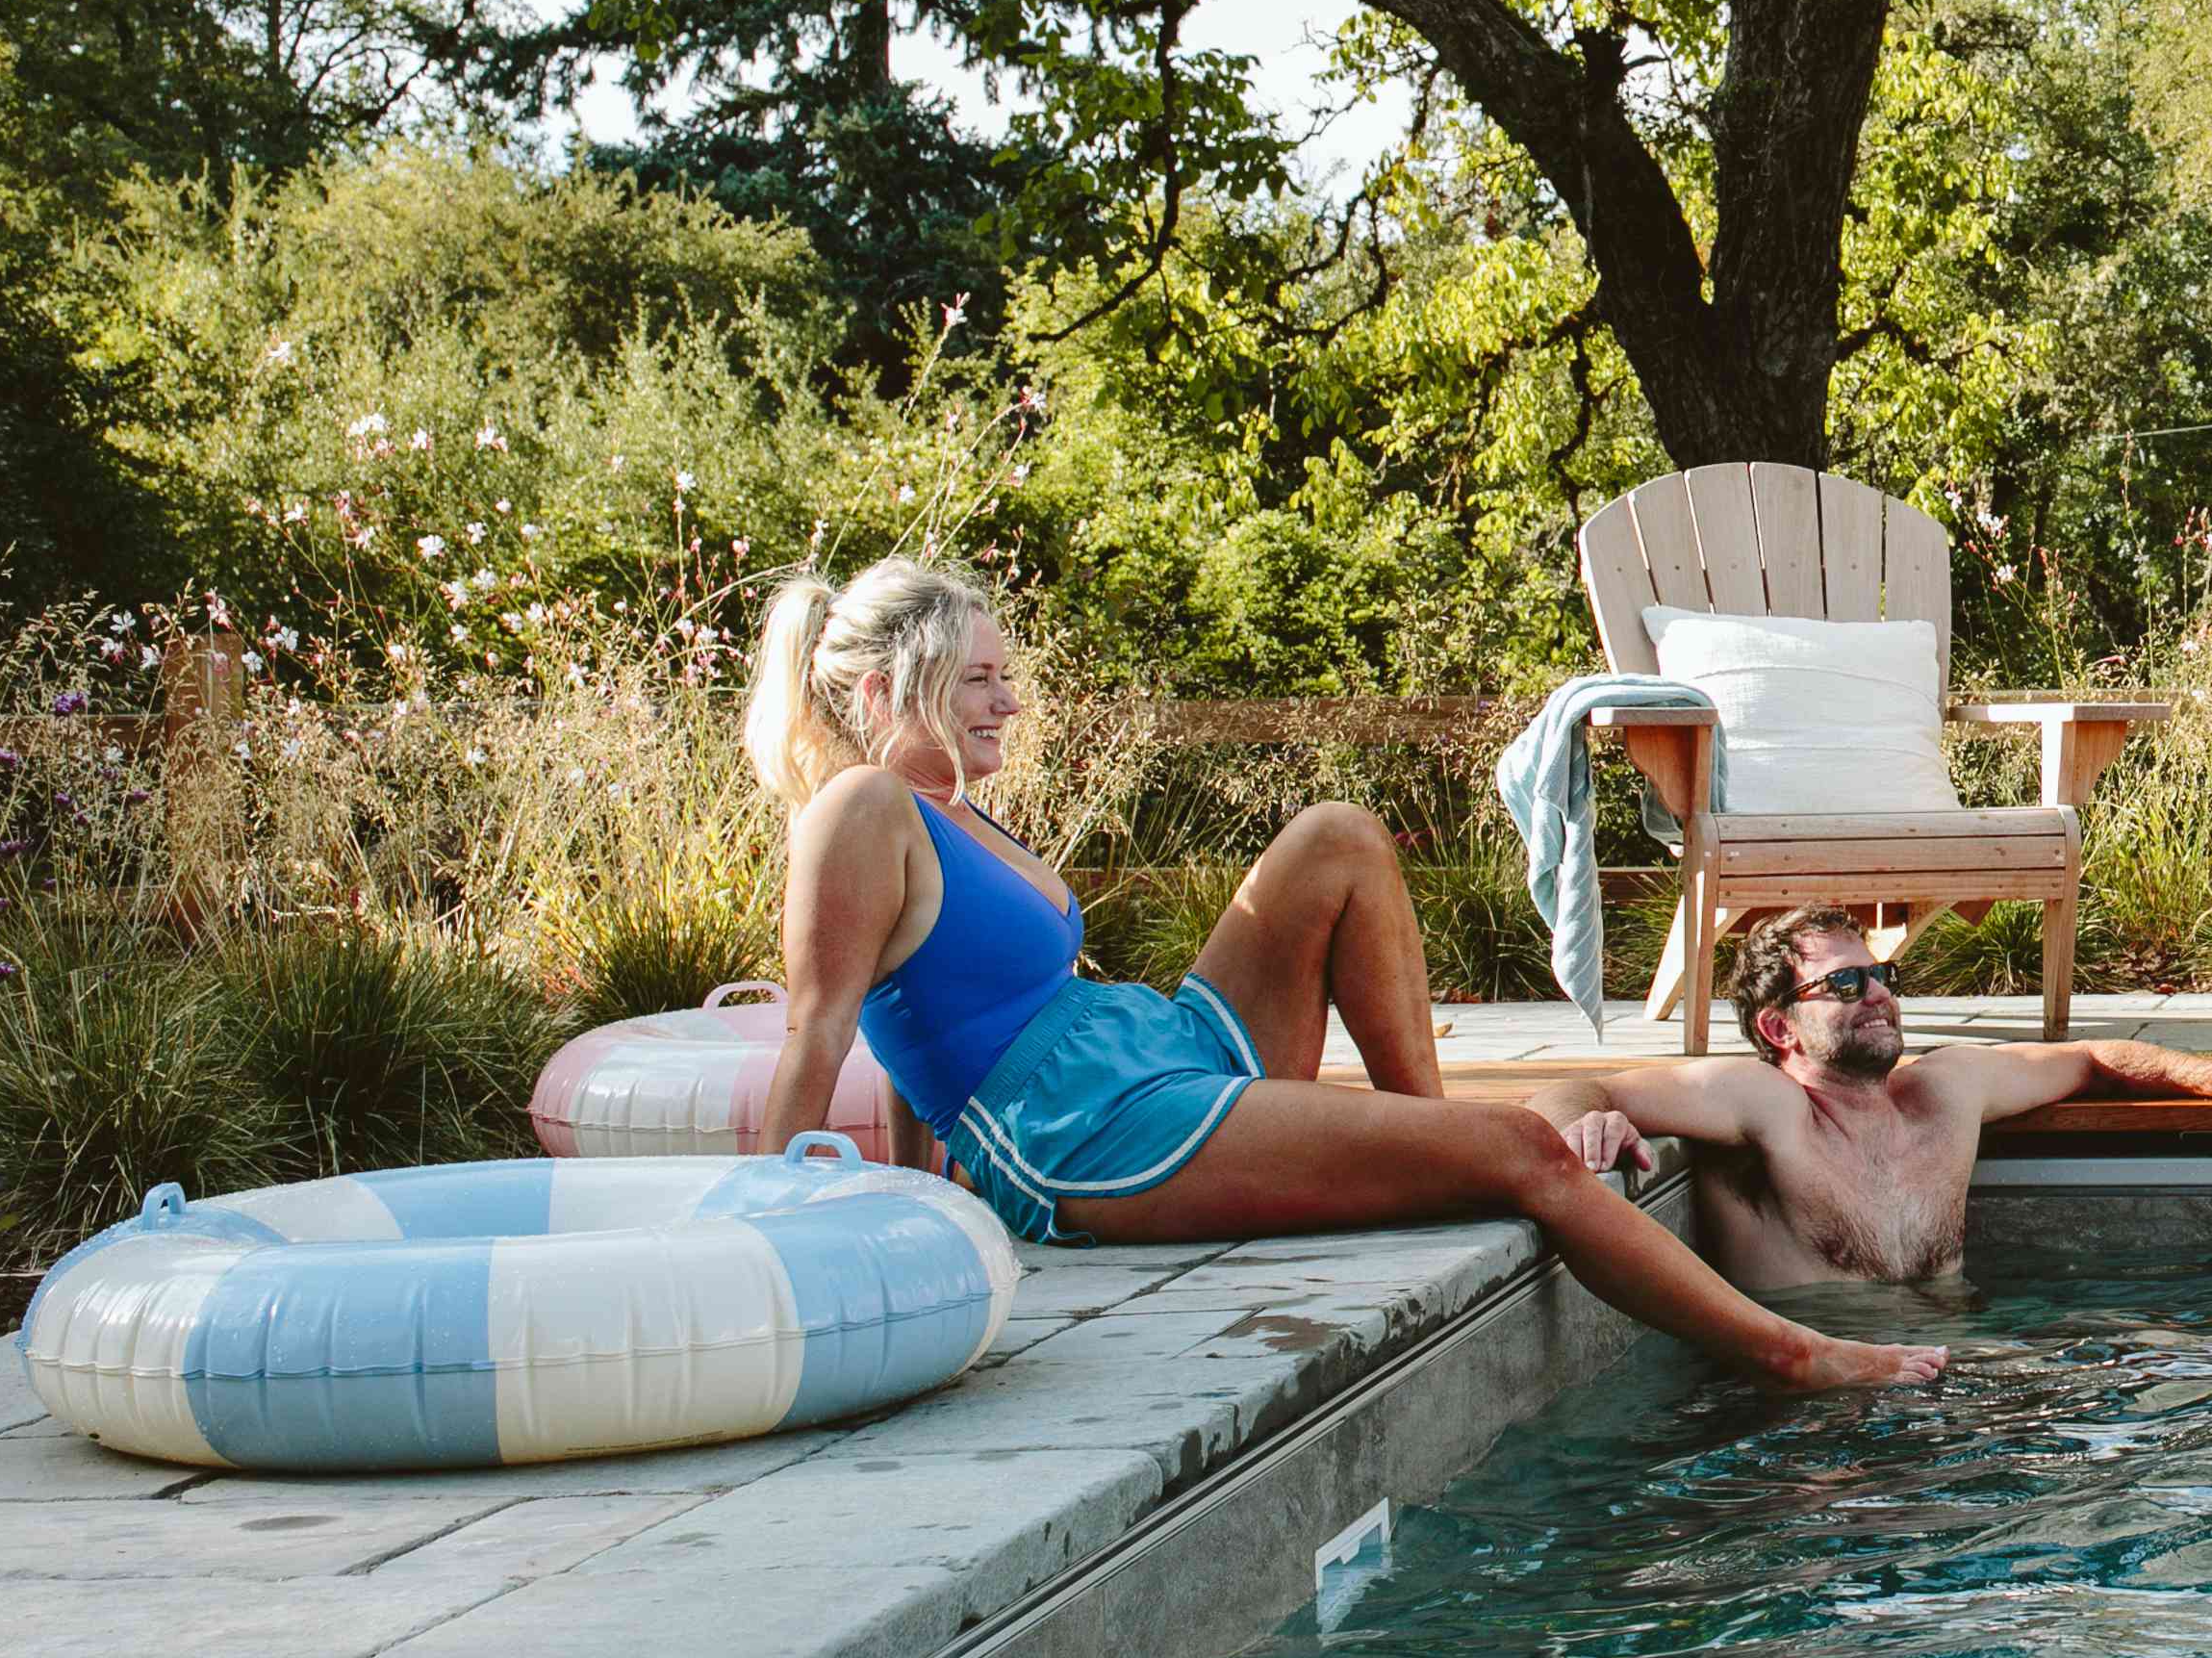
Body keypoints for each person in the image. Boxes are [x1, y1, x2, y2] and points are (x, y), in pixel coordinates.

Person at [746, 557, 1942, 1392]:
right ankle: (1792, 1353)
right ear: (877, 692)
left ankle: (1427, 1136)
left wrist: (921, 1192)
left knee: (1335, 834)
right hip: (1083, 1131)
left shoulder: (958, 810)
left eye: (1003, 674)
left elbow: (908, 1038)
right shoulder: (862, 806)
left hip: (1145, 1056)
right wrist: (769, 1241)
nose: (1008, 698)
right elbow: (826, 1031)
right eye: (976, 680)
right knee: (1524, 1150)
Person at [1553, 906, 2212, 1288]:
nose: (1878, 993)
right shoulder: (1763, 1103)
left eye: (1882, 975)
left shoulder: (1945, 1091)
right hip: (1816, 1422)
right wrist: (1585, 1119)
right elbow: (1569, 1085)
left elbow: (2096, 1055)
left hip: (1957, 1378)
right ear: (1778, 1028)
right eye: (1845, 982)